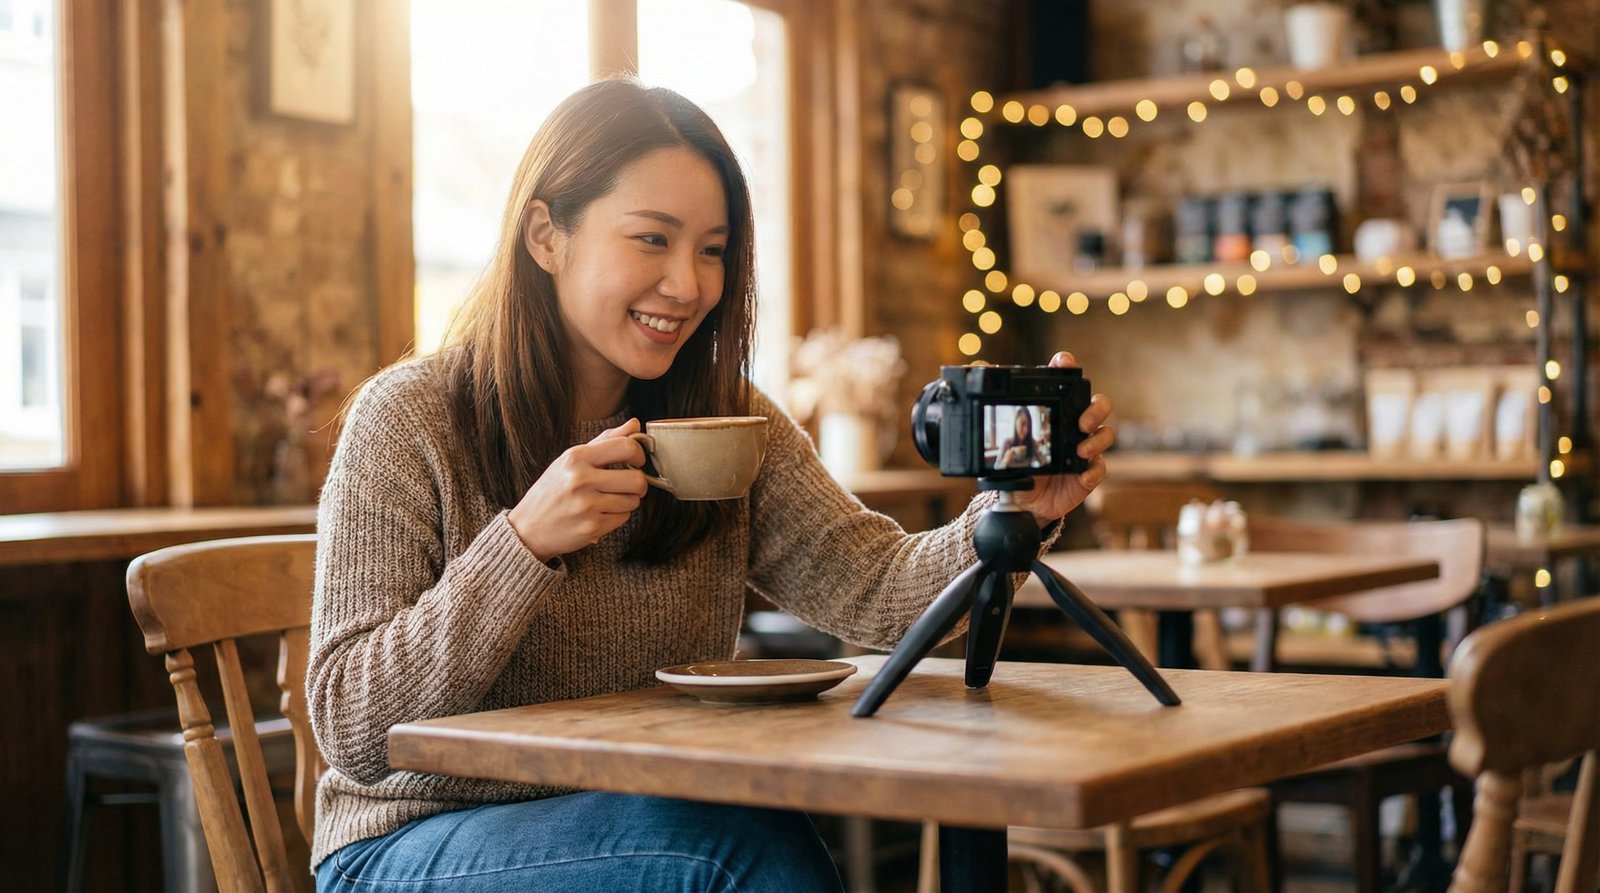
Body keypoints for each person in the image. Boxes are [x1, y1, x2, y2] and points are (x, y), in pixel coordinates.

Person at [308, 78, 1114, 893]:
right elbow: (351, 725)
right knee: (730, 850)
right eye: (652, 239)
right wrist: (521, 544)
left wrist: (1010, 510)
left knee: (741, 834)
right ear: (547, 236)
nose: (689, 285)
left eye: (712, 248)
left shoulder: (721, 419)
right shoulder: (410, 418)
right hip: (405, 841)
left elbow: (878, 591)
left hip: (645, 820)